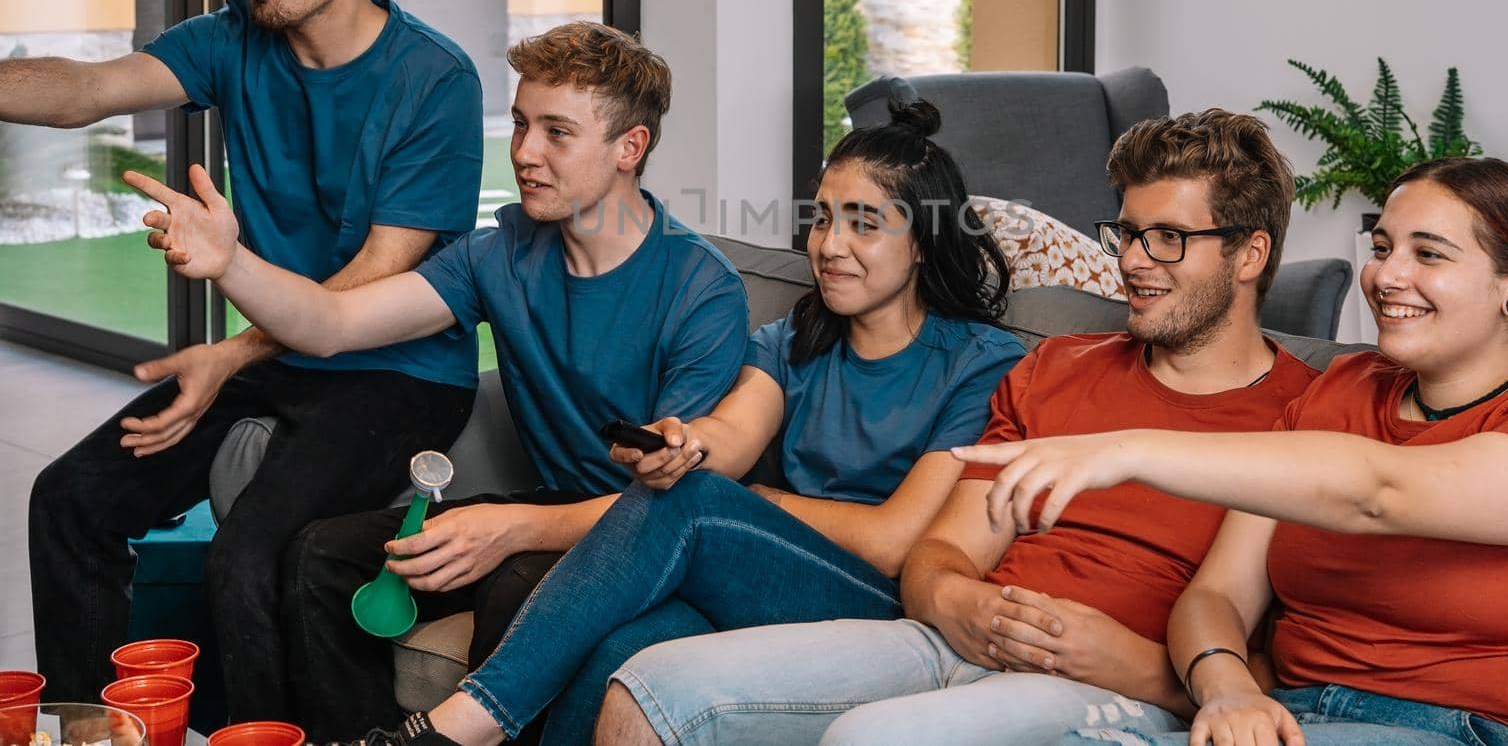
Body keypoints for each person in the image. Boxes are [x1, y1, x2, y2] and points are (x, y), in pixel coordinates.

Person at [593, 108, 1324, 746]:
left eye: (1166, 238)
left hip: (1113, 686)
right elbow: (940, 549)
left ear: (1250, 252)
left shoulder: (1308, 418)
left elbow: (1294, 661)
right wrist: (958, 599)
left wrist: (1142, 665)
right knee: (651, 685)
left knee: (868, 736)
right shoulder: (1055, 368)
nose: (1131, 262)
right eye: (1127, 233)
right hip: (954, 638)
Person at [315, 99, 1030, 746]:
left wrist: (751, 501)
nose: (830, 245)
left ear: (925, 243)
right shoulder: (793, 340)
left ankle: (456, 728)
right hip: (761, 577)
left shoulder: (981, 361)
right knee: (618, 651)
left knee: (697, 500)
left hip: (882, 608)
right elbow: (732, 435)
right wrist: (686, 445)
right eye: (822, 217)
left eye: (864, 224)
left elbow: (892, 541)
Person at [121, 22, 749, 740]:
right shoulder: (499, 254)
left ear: (628, 148)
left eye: (556, 132)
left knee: (519, 584)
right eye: (519, 124)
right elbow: (331, 322)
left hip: (651, 541)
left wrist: (510, 529)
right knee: (320, 554)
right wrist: (232, 263)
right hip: (555, 505)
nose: (524, 152)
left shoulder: (701, 289)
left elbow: (673, 505)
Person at [17, 0, 484, 720]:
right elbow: (83, 89)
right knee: (71, 498)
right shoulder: (232, 38)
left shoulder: (434, 80)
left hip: (397, 368)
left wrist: (229, 357)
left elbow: (373, 279)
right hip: (279, 348)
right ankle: (90, 733)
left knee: (249, 554)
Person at [961, 157, 1508, 745]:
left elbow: (1378, 493)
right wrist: (1227, 688)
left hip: (1453, 727)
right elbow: (1218, 596)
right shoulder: (1343, 390)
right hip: (1293, 713)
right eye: (1382, 248)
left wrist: (1126, 450)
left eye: (1428, 254)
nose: (1388, 275)